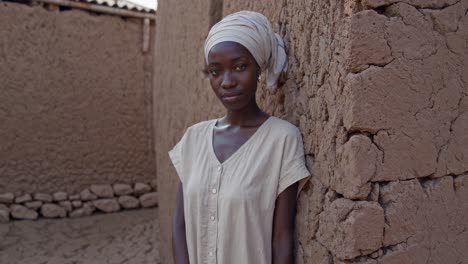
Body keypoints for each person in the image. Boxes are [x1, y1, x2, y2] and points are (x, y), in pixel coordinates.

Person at [170, 10, 310, 264]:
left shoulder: (281, 140)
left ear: (258, 68)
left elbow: (282, 239)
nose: (226, 82)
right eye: (215, 71)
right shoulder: (192, 140)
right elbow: (179, 227)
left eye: (239, 67)